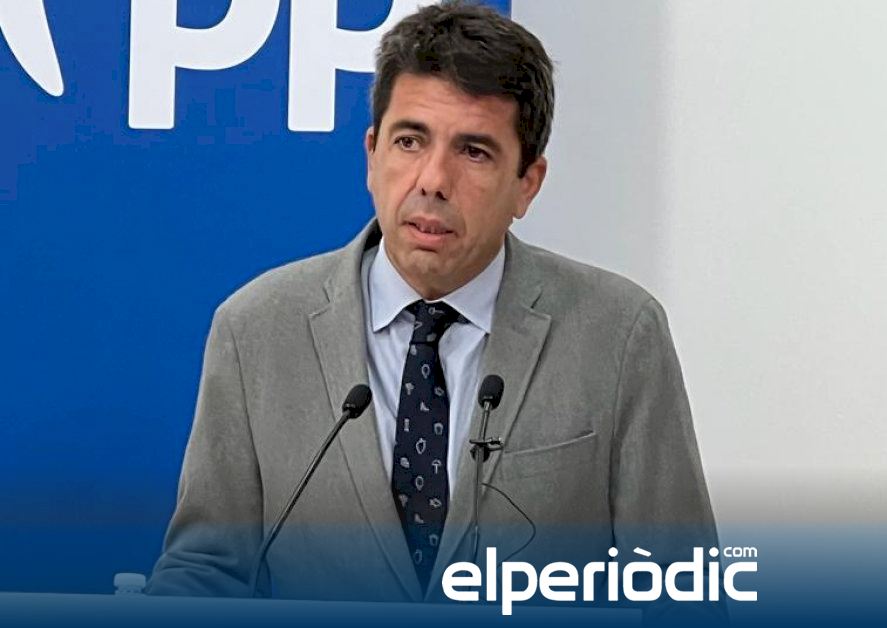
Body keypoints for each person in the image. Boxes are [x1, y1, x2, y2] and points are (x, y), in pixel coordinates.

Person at [148, 1, 720, 621]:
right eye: (410, 141)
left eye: (473, 152)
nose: (432, 180)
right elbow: (206, 570)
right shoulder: (257, 329)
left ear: (527, 183)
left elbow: (680, 591)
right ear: (372, 155)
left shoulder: (618, 334)